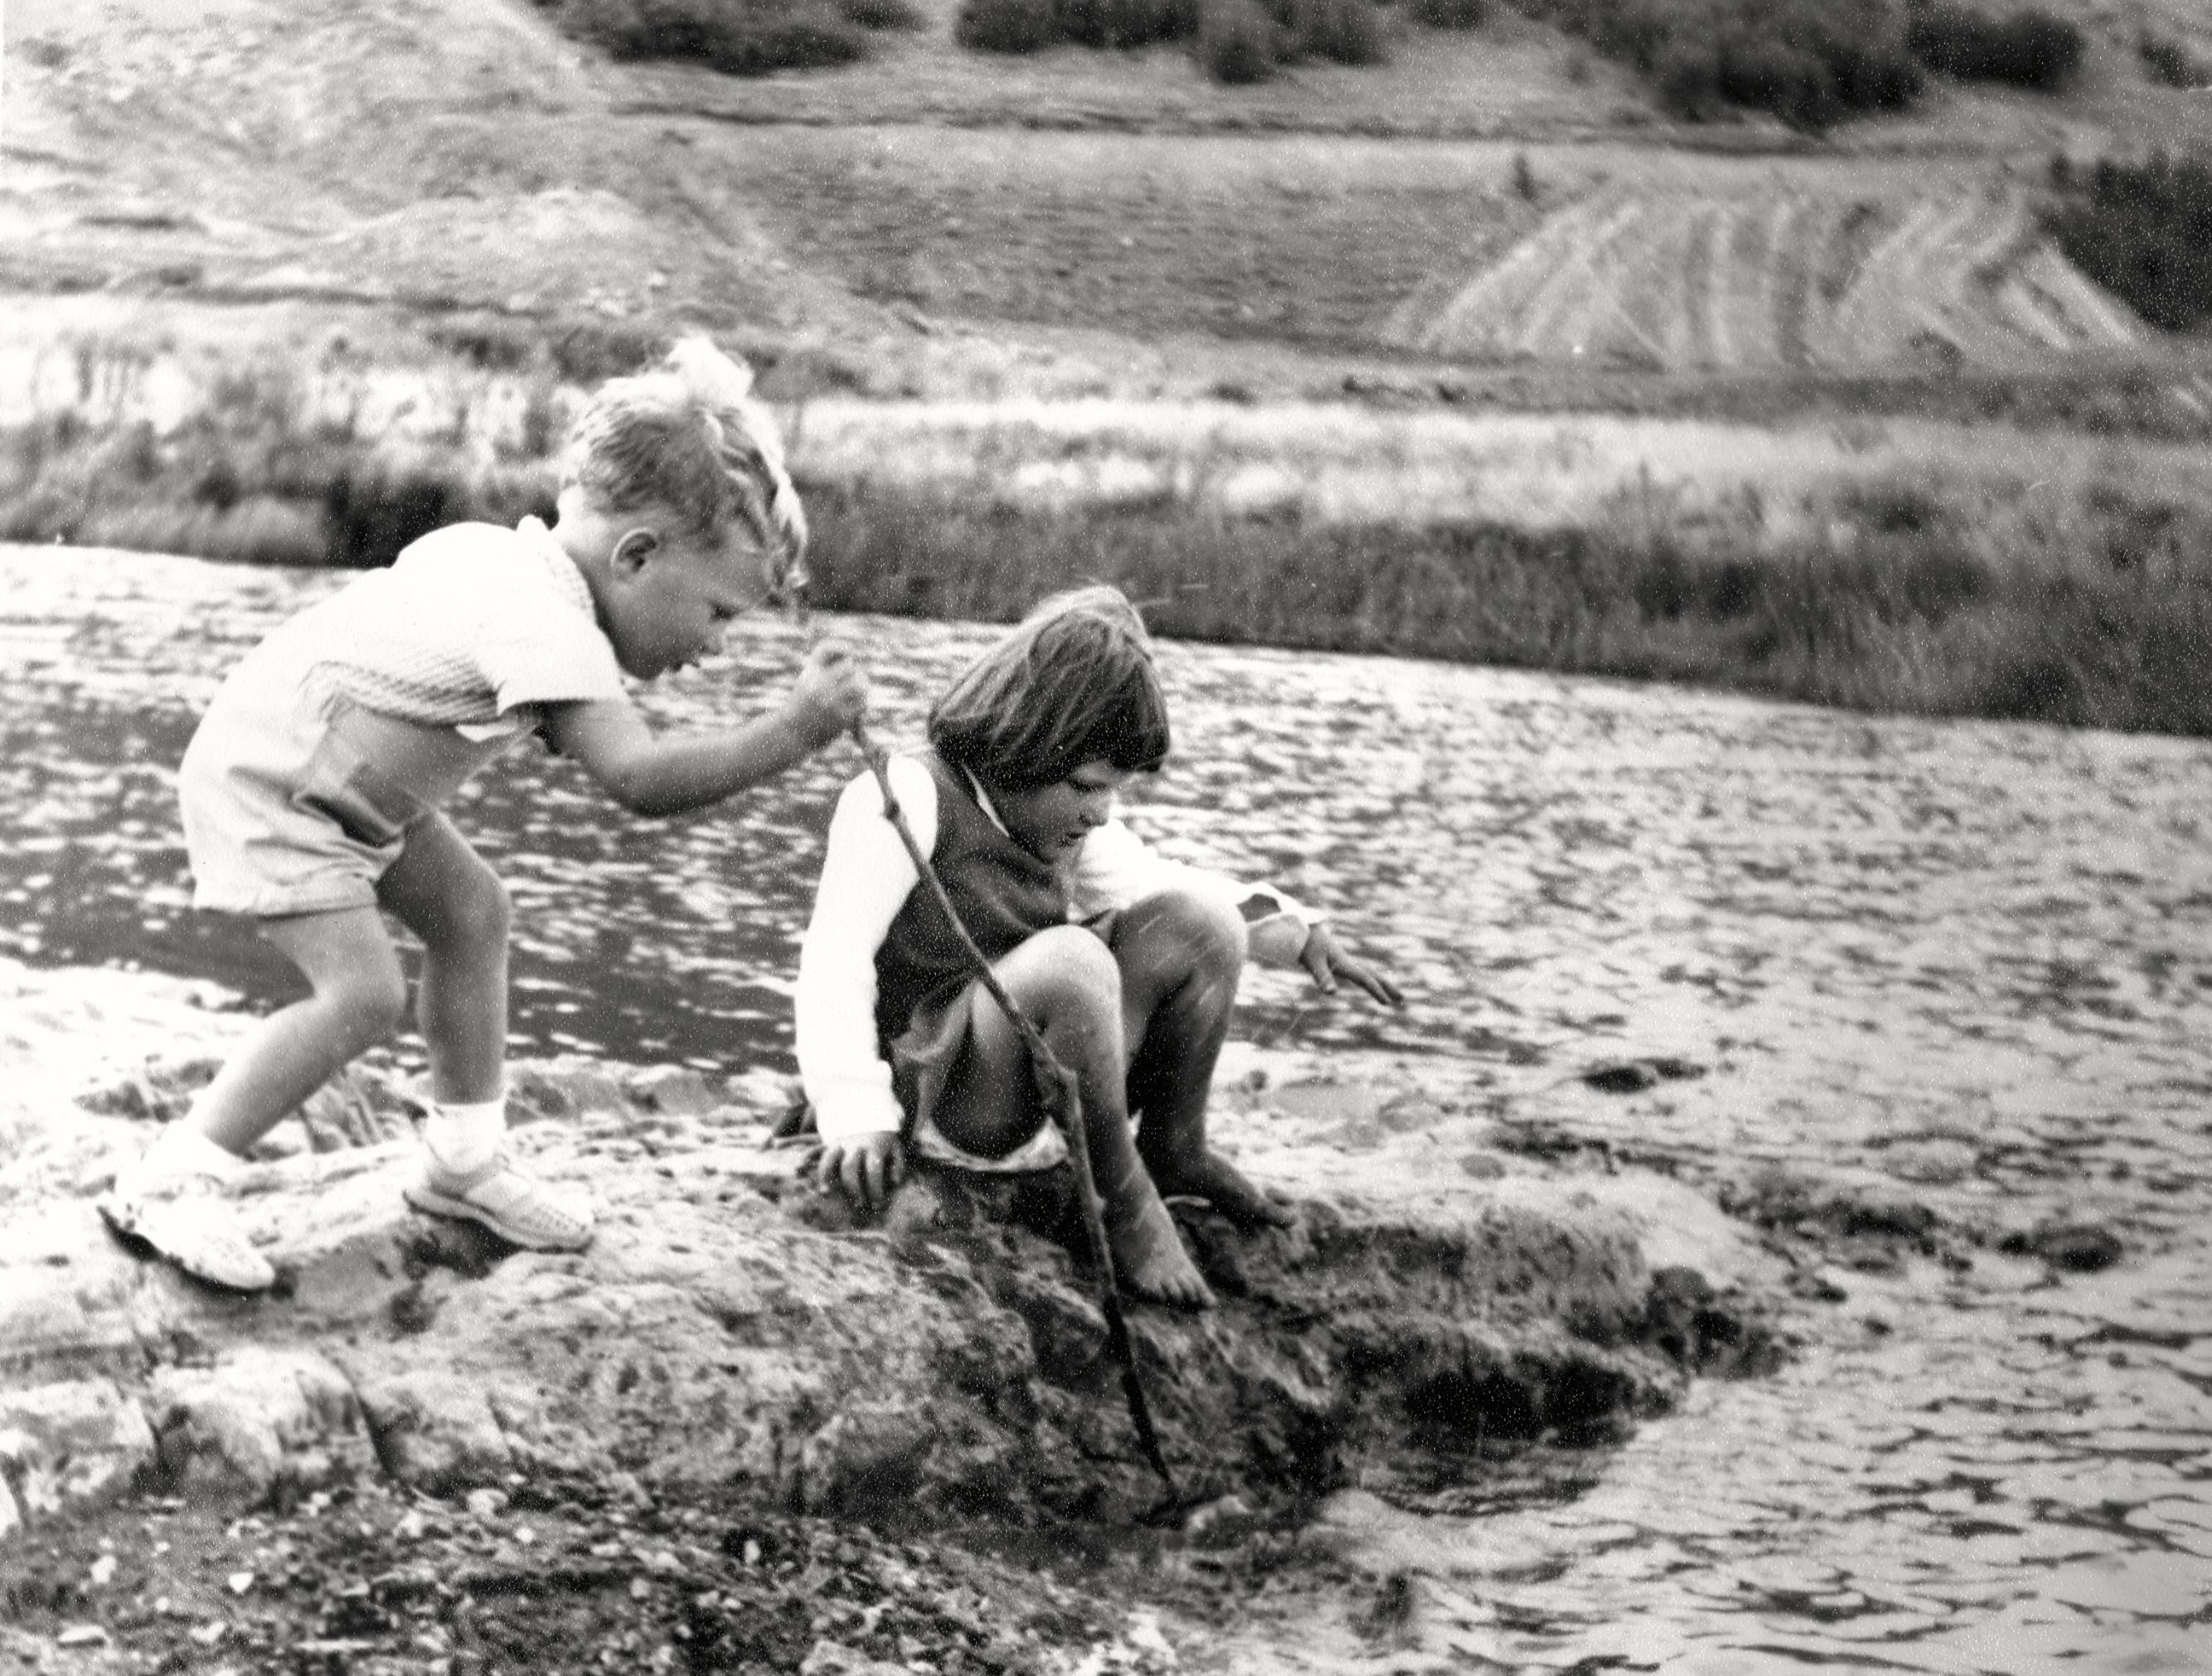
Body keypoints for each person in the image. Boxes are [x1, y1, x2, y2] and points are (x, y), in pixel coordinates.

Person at [101, 337, 869, 1290]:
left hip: (351, 779)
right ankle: (174, 1177)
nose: (713, 648)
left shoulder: (508, 562)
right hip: (281, 779)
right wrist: (795, 730)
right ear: (635, 555)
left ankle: (463, 1161)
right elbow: (641, 781)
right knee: (364, 993)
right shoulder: (541, 622)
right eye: (716, 615)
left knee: (473, 913)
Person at [796, 586, 1400, 1309]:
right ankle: (1121, 1197)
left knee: (1203, 922)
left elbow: (1163, 889)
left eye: (1113, 790)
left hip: (1035, 1076)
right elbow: (835, 958)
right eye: (1087, 786)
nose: (1101, 810)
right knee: (1074, 959)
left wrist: (1298, 932)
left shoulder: (1071, 824)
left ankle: (1175, 1147)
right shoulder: (905, 795)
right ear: (1016, 744)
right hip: (955, 1097)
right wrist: (852, 1108)